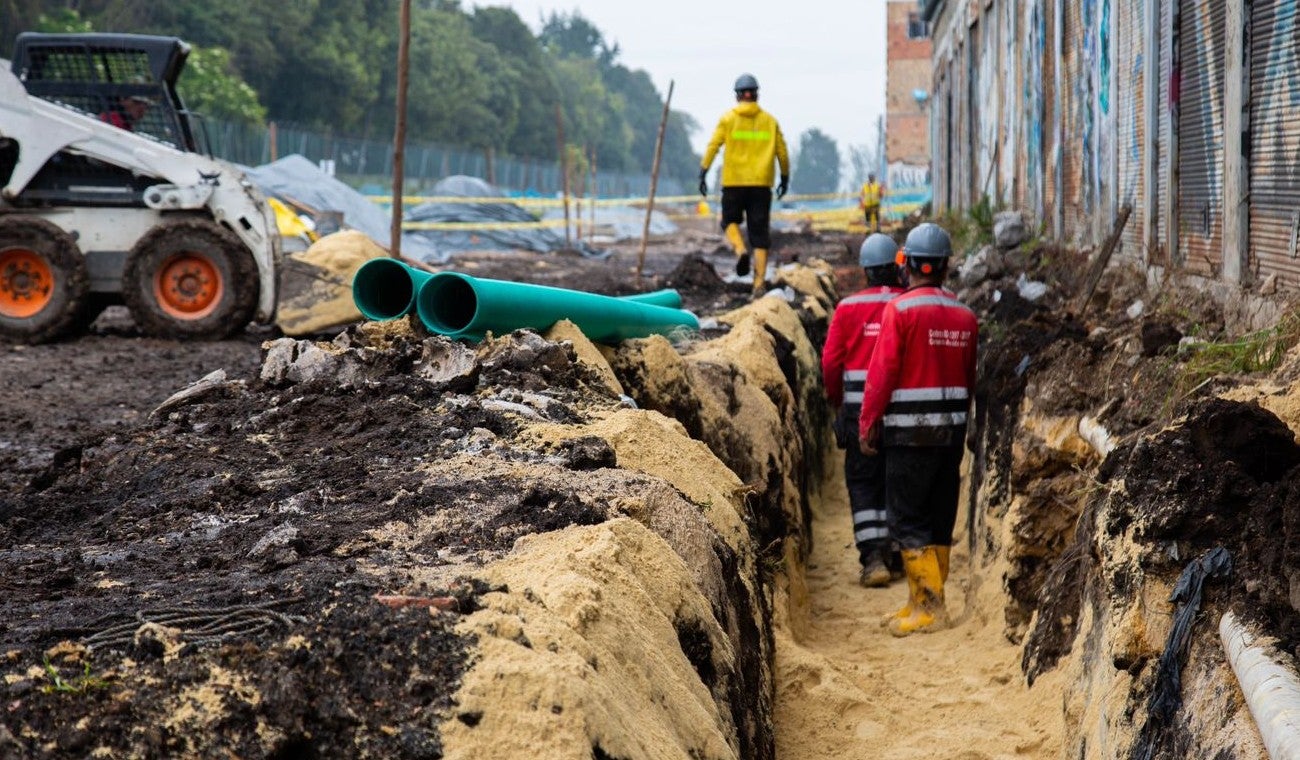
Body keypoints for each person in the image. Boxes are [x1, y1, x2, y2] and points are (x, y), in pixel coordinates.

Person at [858, 222, 977, 637]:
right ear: (945, 267)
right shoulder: (965, 315)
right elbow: (970, 376)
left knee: (908, 519)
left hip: (909, 436)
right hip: (951, 435)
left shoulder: (900, 310)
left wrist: (869, 421)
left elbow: (883, 372)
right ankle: (920, 600)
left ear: (906, 263)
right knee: (939, 516)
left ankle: (928, 606)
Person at [821, 233, 906, 587]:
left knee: (863, 483)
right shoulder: (907, 303)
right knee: (898, 480)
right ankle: (898, 550)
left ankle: (873, 559)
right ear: (896, 266)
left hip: (859, 414)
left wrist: (838, 404)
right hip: (904, 414)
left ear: (866, 271)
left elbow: (830, 363)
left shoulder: (847, 308)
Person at [698, 73, 790, 297]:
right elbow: (782, 152)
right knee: (759, 234)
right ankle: (758, 285)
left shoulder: (728, 119)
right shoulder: (770, 121)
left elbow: (713, 145)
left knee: (729, 221)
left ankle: (740, 250)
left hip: (734, 182)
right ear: (756, 94)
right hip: (761, 185)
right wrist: (785, 177)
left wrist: (703, 171)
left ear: (737, 95)